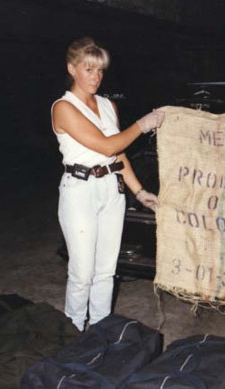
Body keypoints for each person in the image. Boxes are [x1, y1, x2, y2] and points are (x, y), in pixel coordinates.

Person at [51, 37, 165, 331]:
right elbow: (105, 145)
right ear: (72, 69)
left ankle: (101, 331)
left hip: (111, 189)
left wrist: (139, 192)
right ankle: (73, 333)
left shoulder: (107, 105)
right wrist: (142, 125)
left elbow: (118, 153)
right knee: (82, 271)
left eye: (100, 71)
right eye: (88, 70)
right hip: (80, 191)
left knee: (106, 270)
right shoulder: (64, 108)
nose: (96, 77)